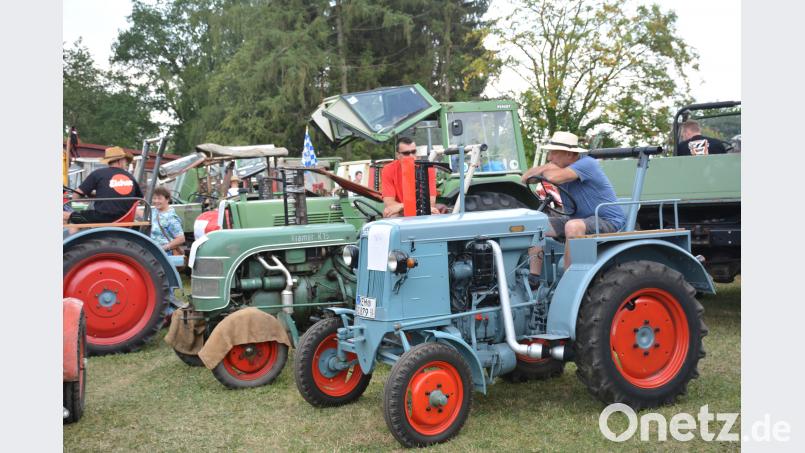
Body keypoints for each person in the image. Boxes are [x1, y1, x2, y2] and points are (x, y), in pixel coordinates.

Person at [521, 131, 625, 287]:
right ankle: (534, 279)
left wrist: (548, 169)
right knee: (536, 223)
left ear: (569, 154)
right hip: (577, 218)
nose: (550, 157)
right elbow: (526, 178)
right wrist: (548, 166)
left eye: (554, 153)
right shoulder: (559, 166)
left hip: (607, 220)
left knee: (573, 225)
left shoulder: (587, 163)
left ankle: (568, 282)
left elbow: (554, 178)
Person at [63, 146, 143, 225]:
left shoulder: (98, 174)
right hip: (125, 219)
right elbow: (139, 200)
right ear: (120, 161)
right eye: (126, 161)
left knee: (68, 216)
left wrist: (77, 209)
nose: (126, 164)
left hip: (101, 219)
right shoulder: (130, 177)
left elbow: (76, 195)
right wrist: (98, 195)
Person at [381, 137, 439, 217]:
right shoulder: (388, 169)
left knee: (432, 214)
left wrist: (401, 206)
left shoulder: (428, 169)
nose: (411, 156)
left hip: (420, 210)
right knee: (391, 214)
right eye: (406, 153)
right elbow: (389, 203)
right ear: (398, 155)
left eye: (413, 152)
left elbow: (430, 203)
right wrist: (405, 207)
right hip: (401, 213)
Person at [150, 185, 186, 254]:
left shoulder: (171, 217)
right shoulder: (155, 211)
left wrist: (164, 248)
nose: (156, 201)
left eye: (159, 198)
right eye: (154, 198)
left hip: (165, 255)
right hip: (154, 253)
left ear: (167, 199)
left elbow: (181, 239)